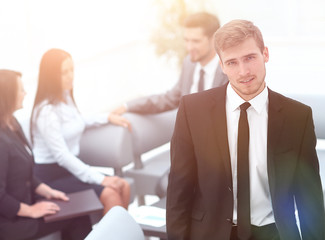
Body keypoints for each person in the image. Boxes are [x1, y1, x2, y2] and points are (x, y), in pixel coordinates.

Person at [166, 19, 325, 240]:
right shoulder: (192, 110)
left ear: (265, 54)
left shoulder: (297, 117)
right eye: (232, 62)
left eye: (250, 58)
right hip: (210, 234)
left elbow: (310, 198)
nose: (243, 72)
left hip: (273, 232)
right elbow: (178, 191)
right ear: (222, 66)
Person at [30, 49, 130, 214]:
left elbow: (78, 120)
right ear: (51, 76)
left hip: (69, 169)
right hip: (51, 176)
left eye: (72, 70)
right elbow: (62, 156)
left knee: (123, 186)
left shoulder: (65, 97)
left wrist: (107, 117)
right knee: (111, 194)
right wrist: (101, 179)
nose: (70, 76)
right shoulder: (46, 112)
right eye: (64, 72)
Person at [0, 69, 92, 240]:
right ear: (7, 95)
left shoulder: (12, 124)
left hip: (28, 202)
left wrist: (48, 191)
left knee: (76, 208)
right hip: (10, 222)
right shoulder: (1, 141)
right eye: (20, 90)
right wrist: (30, 211)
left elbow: (25, 173)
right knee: (78, 218)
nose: (25, 93)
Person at [111, 12, 228, 120]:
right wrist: (127, 106)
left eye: (195, 41)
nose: (189, 47)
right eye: (186, 40)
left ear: (214, 39)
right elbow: (169, 99)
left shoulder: (229, 69)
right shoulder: (189, 64)